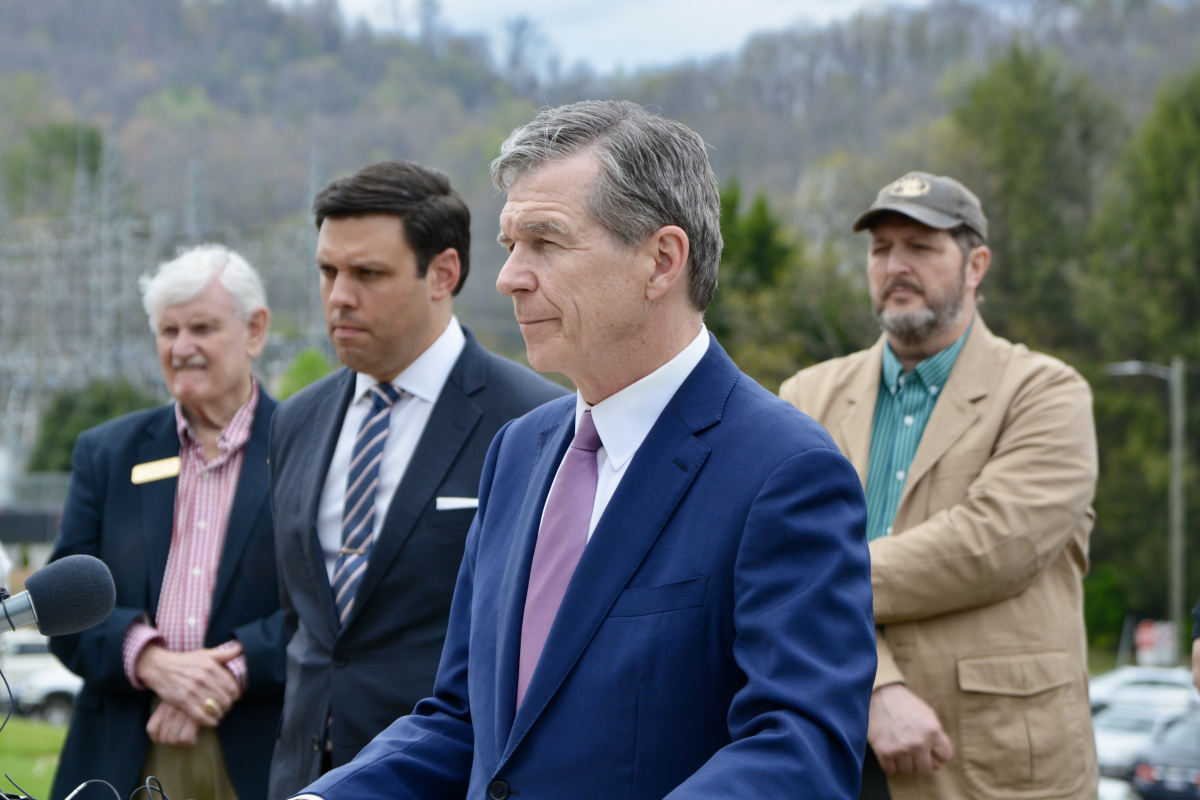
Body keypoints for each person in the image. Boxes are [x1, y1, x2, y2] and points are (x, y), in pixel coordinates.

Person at [293, 100, 876, 800]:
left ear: (661, 260)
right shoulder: (519, 451)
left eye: (546, 242)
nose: (509, 277)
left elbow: (799, 749)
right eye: (511, 246)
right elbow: (464, 723)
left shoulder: (784, 470)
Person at [780, 172, 1100, 800]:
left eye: (920, 248)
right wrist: (876, 688)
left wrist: (820, 574)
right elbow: (763, 561)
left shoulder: (1046, 393)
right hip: (833, 749)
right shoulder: (804, 398)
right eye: (881, 250)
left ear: (976, 264)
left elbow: (992, 545)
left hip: (995, 760)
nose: (895, 265)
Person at [267, 160, 566, 799]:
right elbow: (306, 625)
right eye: (328, 272)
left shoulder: (533, 424)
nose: (339, 296)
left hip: (440, 778)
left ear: (444, 274)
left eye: (368, 274)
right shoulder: (296, 420)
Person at [49, 245, 285, 800]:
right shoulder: (107, 453)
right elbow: (62, 603)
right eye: (167, 331)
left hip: (259, 752)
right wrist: (151, 662)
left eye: (201, 328)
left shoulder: (308, 444)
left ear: (255, 330)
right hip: (123, 748)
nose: (181, 349)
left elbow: (331, 607)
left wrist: (227, 673)